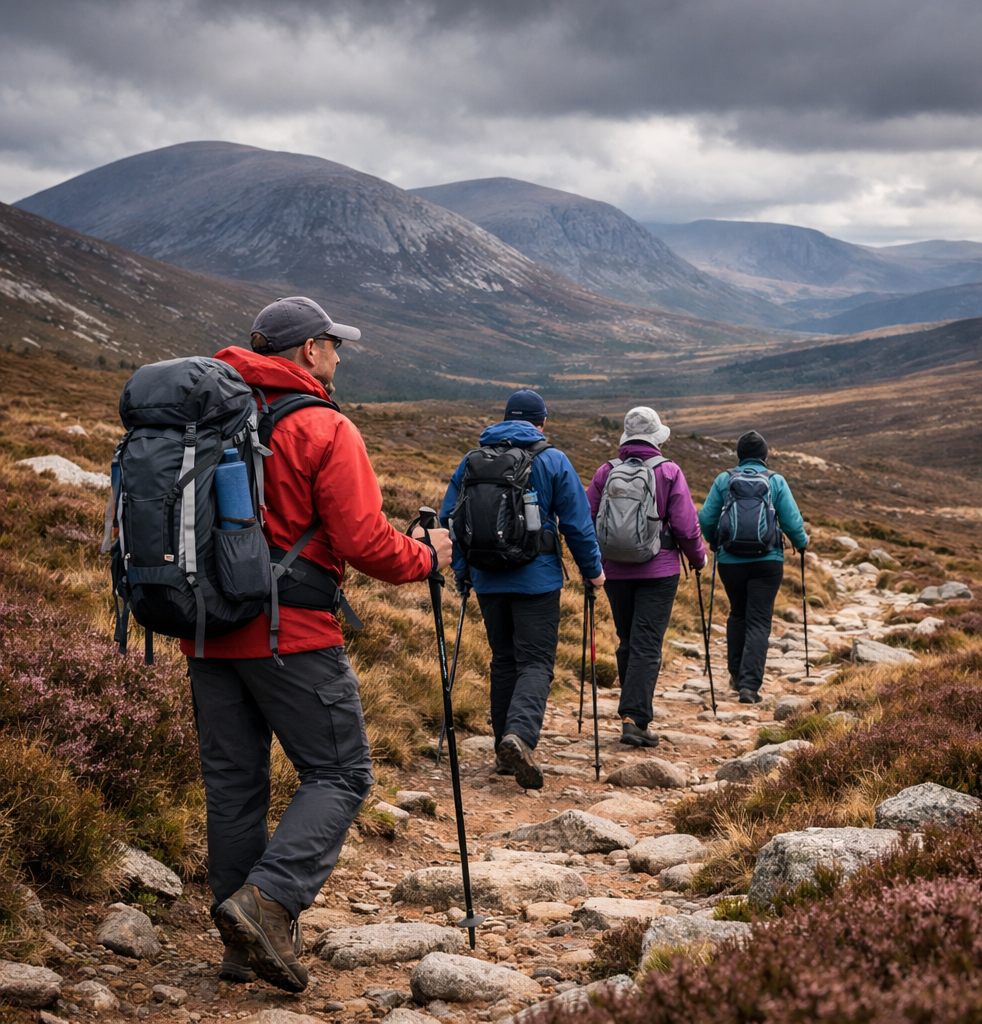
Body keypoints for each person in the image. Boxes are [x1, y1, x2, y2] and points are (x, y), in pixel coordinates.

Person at [185, 297, 451, 994]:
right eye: (335, 344)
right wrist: (428, 557)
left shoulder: (203, 419)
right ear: (308, 350)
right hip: (292, 634)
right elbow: (365, 543)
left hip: (207, 632)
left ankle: (240, 947)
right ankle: (268, 904)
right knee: (341, 773)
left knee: (234, 786)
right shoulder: (322, 425)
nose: (339, 355)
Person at [440, 389, 604, 791]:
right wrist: (593, 572)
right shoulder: (552, 459)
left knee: (504, 660)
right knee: (535, 663)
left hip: (487, 579)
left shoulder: (471, 460)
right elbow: (578, 525)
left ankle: (502, 746)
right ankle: (521, 738)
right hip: (538, 579)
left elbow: (450, 520)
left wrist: (463, 571)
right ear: (541, 423)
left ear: (505, 419)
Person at [586, 407, 706, 747]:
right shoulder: (669, 471)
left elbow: (585, 515)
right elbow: (685, 524)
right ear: (656, 438)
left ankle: (631, 711)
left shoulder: (606, 471)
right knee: (647, 643)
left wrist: (590, 562)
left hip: (613, 570)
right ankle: (635, 719)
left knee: (627, 638)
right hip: (660, 570)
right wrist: (698, 559)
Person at [698, 430, 807, 704]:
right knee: (759, 620)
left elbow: (706, 518)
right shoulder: (775, 481)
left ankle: (735, 676)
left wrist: (715, 541)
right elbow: (792, 522)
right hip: (767, 561)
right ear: (764, 456)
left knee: (737, 613)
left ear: (739, 455)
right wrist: (802, 543)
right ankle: (749, 686)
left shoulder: (725, 479)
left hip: (730, 560)